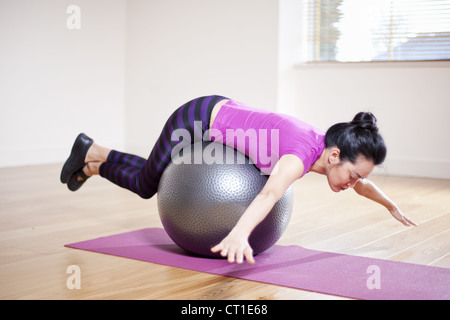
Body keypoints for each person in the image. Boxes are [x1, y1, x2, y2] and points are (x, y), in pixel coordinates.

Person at [60, 95, 417, 264]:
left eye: (358, 179)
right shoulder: (299, 155)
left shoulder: (330, 149)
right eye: (353, 176)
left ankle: (91, 159)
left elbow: (364, 183)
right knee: (145, 185)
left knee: (148, 174)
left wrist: (390, 205)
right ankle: (92, 156)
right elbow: (267, 195)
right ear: (336, 155)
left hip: (219, 114)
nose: (352, 183)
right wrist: (238, 232)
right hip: (195, 119)